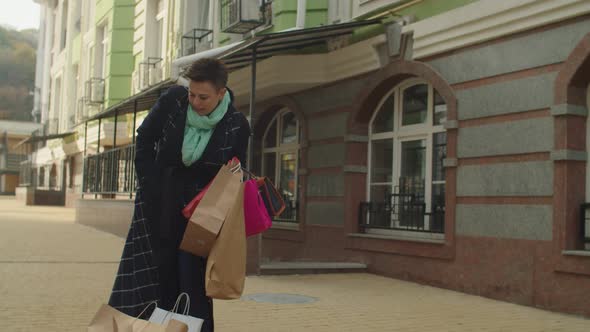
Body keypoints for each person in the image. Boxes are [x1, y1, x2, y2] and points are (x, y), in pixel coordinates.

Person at [108, 58, 250, 331]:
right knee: (150, 280)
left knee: (191, 285)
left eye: (203, 97)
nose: (195, 101)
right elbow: (145, 139)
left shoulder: (236, 125)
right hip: (158, 205)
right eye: (192, 94)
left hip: (201, 218)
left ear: (222, 93)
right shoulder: (173, 101)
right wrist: (149, 182)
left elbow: (235, 175)